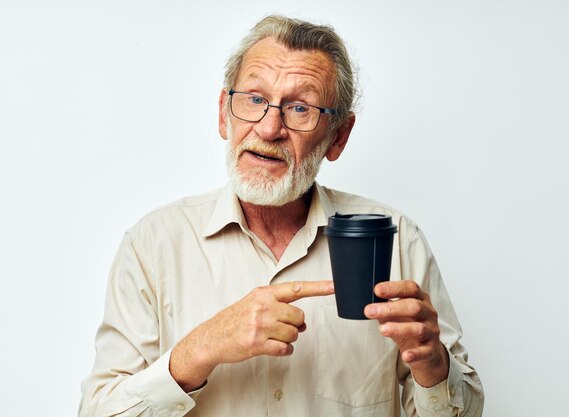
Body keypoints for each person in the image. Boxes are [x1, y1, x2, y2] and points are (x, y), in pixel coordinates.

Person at [80, 15, 484, 417]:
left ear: (338, 136)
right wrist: (199, 349)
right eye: (254, 99)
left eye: (299, 108)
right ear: (224, 113)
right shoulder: (152, 244)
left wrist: (434, 366)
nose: (269, 127)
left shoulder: (397, 241)